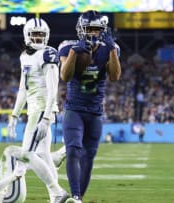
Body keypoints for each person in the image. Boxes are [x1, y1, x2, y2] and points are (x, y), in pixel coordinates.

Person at [58, 10, 121, 203]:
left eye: (96, 29)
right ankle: (75, 196)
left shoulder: (111, 48)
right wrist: (74, 52)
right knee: (74, 150)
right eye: (89, 29)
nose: (93, 33)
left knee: (89, 156)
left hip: (95, 112)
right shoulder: (67, 46)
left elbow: (115, 76)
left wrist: (111, 50)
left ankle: (79, 197)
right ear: (81, 29)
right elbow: (65, 76)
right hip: (74, 109)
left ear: (102, 30)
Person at [7, 18, 68, 203]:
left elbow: (52, 89)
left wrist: (47, 117)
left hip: (43, 110)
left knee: (26, 155)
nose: (38, 38)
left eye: (41, 35)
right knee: (44, 156)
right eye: (35, 34)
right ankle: (54, 196)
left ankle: (57, 191)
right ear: (27, 35)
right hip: (34, 111)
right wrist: (14, 115)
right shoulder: (24, 56)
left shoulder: (47, 55)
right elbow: (23, 88)